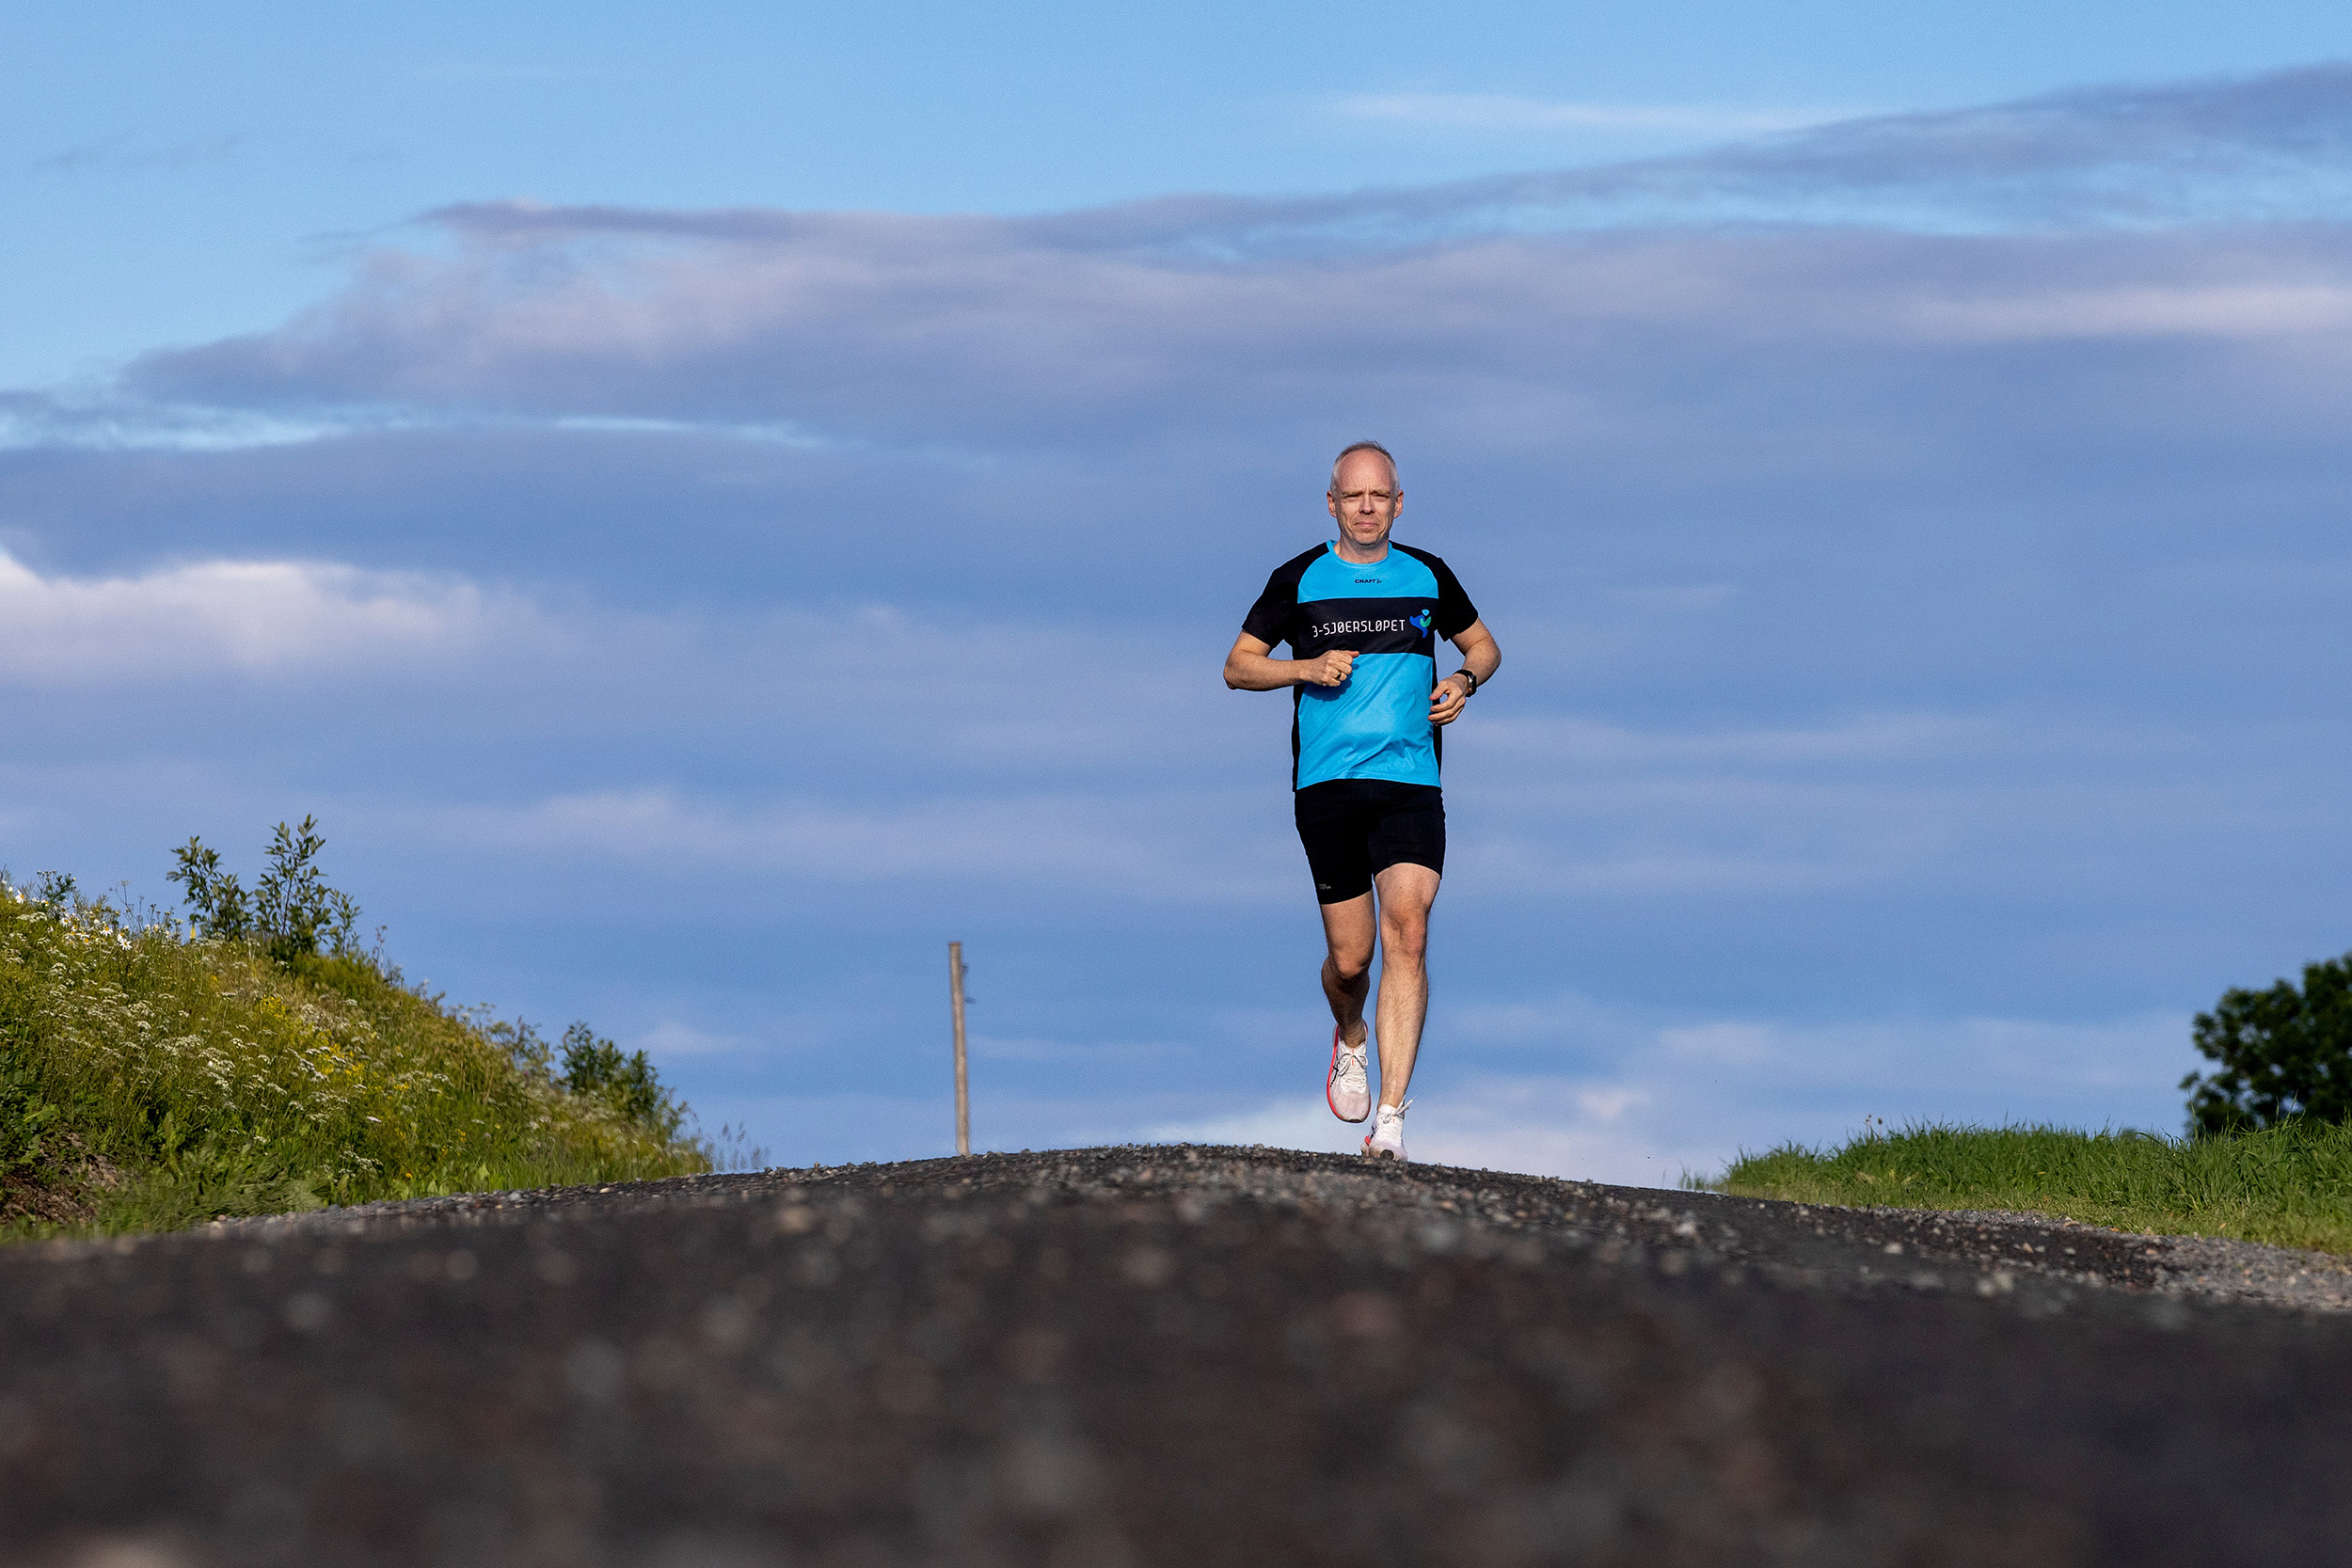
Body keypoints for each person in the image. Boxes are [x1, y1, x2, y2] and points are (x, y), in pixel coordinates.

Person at [1222, 441, 1501, 1162]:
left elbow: (1486, 648)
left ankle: (1392, 1118)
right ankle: (1351, 1036)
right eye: (1355, 497)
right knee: (1352, 960)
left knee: (1409, 929)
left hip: (1411, 779)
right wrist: (1305, 666)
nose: (1368, 508)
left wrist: (1465, 682)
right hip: (1327, 786)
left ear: (1398, 503)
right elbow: (1237, 666)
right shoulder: (1299, 578)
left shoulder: (1428, 576)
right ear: (1333, 504)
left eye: (1381, 496)